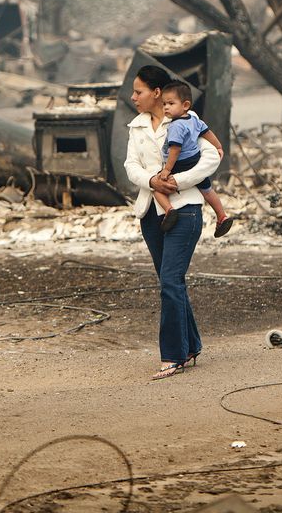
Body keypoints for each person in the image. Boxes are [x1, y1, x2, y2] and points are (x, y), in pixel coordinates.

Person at [124, 65, 220, 380]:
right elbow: (130, 165)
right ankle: (190, 345)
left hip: (185, 209)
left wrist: (175, 182)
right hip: (151, 211)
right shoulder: (136, 126)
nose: (133, 97)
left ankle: (174, 355)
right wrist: (153, 181)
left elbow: (212, 157)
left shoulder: (182, 118)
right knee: (171, 282)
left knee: (170, 280)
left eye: (138, 91)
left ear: (156, 92)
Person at [151, 80, 234, 237]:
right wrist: (218, 146)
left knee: (157, 188)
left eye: (171, 103)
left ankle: (169, 211)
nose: (166, 107)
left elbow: (175, 149)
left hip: (180, 164)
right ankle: (222, 215)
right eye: (164, 104)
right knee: (208, 190)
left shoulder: (175, 126)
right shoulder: (194, 119)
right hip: (194, 160)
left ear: (185, 105)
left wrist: (167, 170)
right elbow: (207, 133)